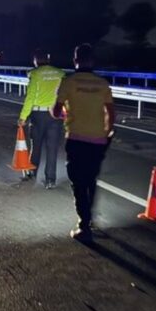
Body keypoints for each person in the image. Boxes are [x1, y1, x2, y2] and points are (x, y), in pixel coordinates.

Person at [53, 44, 116, 242]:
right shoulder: (103, 84)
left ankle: (84, 225)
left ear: (75, 61)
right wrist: (107, 132)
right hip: (98, 139)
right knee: (90, 179)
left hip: (76, 138)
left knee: (78, 182)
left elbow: (56, 111)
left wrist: (65, 113)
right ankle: (89, 218)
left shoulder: (68, 82)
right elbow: (111, 113)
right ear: (93, 60)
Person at [18, 49, 66, 189]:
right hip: (56, 115)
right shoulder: (60, 73)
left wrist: (23, 117)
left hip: (38, 115)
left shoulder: (35, 74)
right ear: (48, 59)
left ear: (35, 61)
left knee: (36, 146)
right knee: (52, 149)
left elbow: (30, 98)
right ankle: (50, 180)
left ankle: (32, 173)